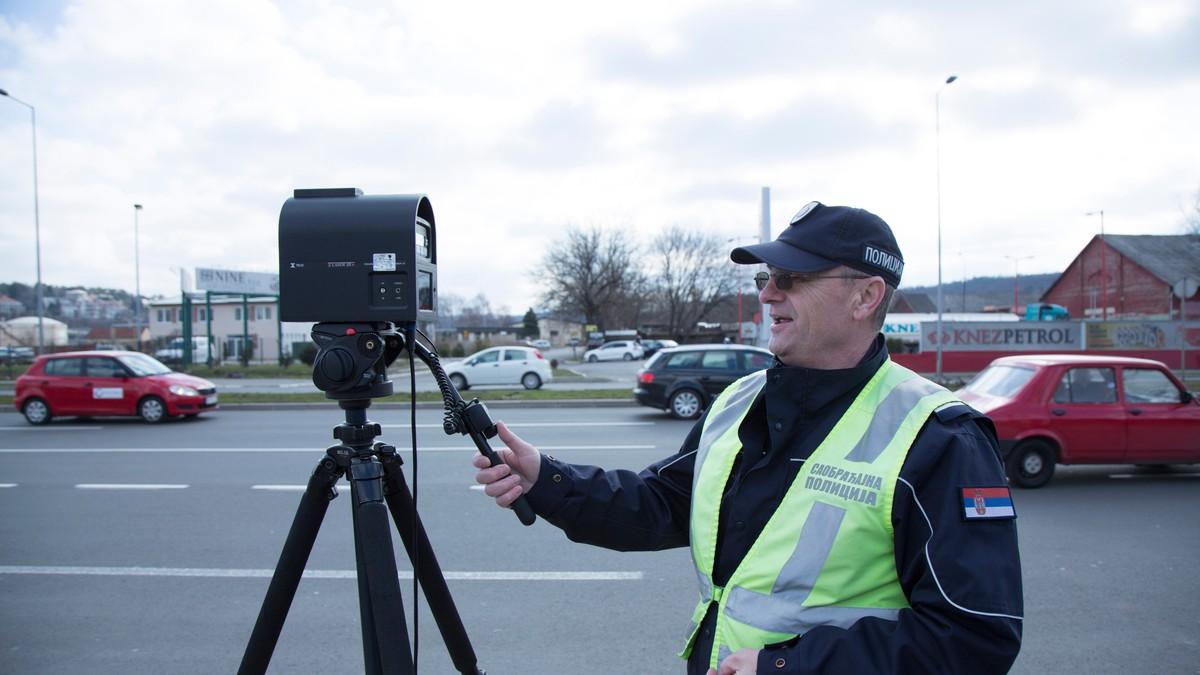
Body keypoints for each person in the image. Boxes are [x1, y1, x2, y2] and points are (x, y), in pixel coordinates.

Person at [473, 202, 1023, 674]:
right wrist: (547, 479)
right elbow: (664, 503)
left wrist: (791, 665)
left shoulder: (939, 435)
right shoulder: (740, 400)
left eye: (793, 278)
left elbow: (973, 635)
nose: (768, 295)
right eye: (767, 278)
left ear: (866, 297)